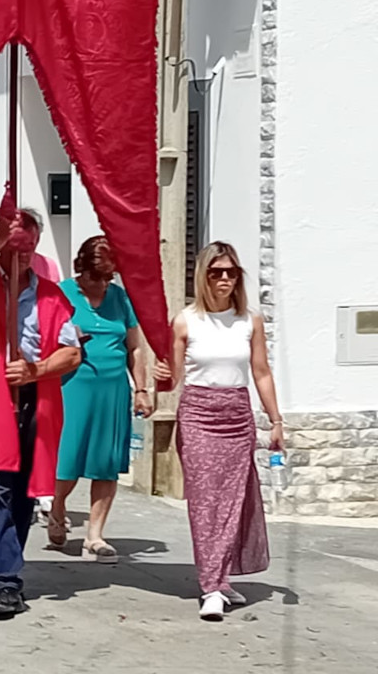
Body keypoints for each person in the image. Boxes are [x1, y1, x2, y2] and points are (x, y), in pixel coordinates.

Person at [0, 205, 81, 617]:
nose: (22, 254)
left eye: (28, 246)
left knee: (23, 495)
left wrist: (36, 370)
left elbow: (72, 352)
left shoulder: (51, 295)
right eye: (15, 246)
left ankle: (1, 566)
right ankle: (9, 582)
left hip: (33, 401)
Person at [154, 241, 281, 622]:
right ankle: (210, 585)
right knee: (207, 503)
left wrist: (276, 420)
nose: (224, 279)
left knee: (234, 502)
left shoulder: (250, 320)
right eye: (216, 272)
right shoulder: (186, 320)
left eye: (230, 272)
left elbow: (260, 371)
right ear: (203, 276)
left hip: (237, 413)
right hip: (198, 414)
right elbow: (173, 378)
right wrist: (159, 379)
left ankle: (221, 579)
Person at [49, 236, 152, 560]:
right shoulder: (62, 293)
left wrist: (141, 388)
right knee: (68, 458)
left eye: (109, 278)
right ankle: (57, 506)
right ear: (83, 269)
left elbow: (134, 346)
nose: (103, 284)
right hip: (73, 384)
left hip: (113, 388)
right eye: (98, 278)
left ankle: (95, 534)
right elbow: (43, 335)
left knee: (106, 462)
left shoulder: (120, 298)